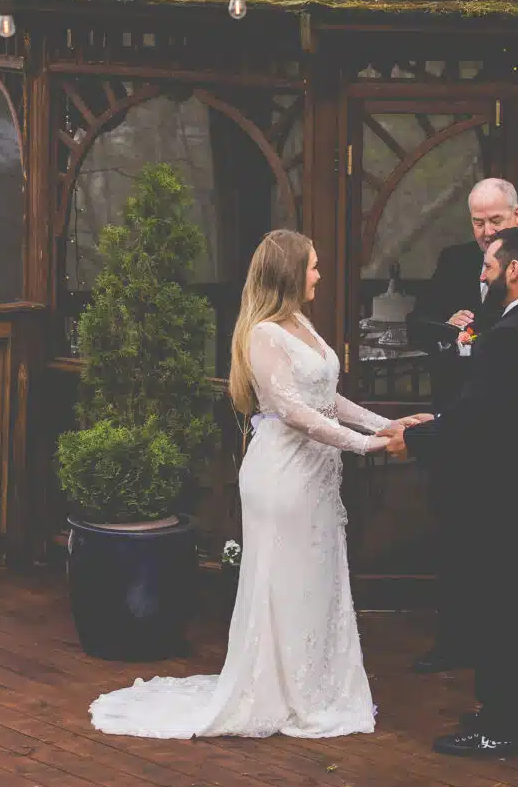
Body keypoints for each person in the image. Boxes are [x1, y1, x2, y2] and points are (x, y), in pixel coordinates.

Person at [89, 229, 412, 739]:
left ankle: (315, 685)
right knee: (283, 580)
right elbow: (295, 413)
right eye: (312, 266)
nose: (319, 275)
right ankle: (278, 691)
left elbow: (328, 398)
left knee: (317, 575)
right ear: (287, 274)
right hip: (283, 476)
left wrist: (384, 425)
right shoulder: (263, 333)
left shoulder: (300, 322)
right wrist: (368, 447)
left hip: (317, 477)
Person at [403, 227, 518, 758]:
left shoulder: (516, 332)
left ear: (515, 269)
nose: (482, 275)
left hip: (505, 495)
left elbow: (480, 415)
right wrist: (437, 420)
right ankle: (509, 710)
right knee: (514, 608)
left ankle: (503, 724)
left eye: (490, 267)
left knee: (506, 611)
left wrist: (411, 438)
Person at [412, 177, 518, 673]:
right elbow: (418, 323)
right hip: (455, 412)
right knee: (454, 532)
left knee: (505, 538)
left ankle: (504, 646)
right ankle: (453, 642)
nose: (484, 230)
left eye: (495, 220)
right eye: (478, 221)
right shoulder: (454, 261)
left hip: (509, 424)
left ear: (517, 215)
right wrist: (446, 328)